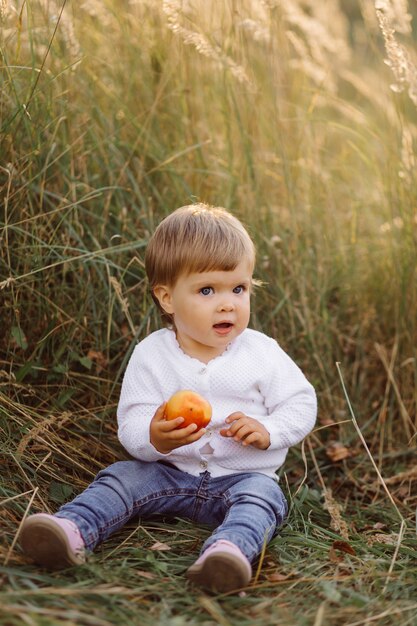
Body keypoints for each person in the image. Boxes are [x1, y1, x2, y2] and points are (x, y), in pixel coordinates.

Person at [20, 204, 317, 593]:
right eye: (207, 290)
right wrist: (155, 437)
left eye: (239, 288)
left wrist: (270, 429)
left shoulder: (261, 352)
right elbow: (132, 421)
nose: (228, 303)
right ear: (167, 298)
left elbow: (301, 402)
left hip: (243, 477)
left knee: (263, 499)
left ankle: (226, 554)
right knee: (121, 478)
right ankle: (72, 528)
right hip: (168, 472)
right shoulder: (151, 354)